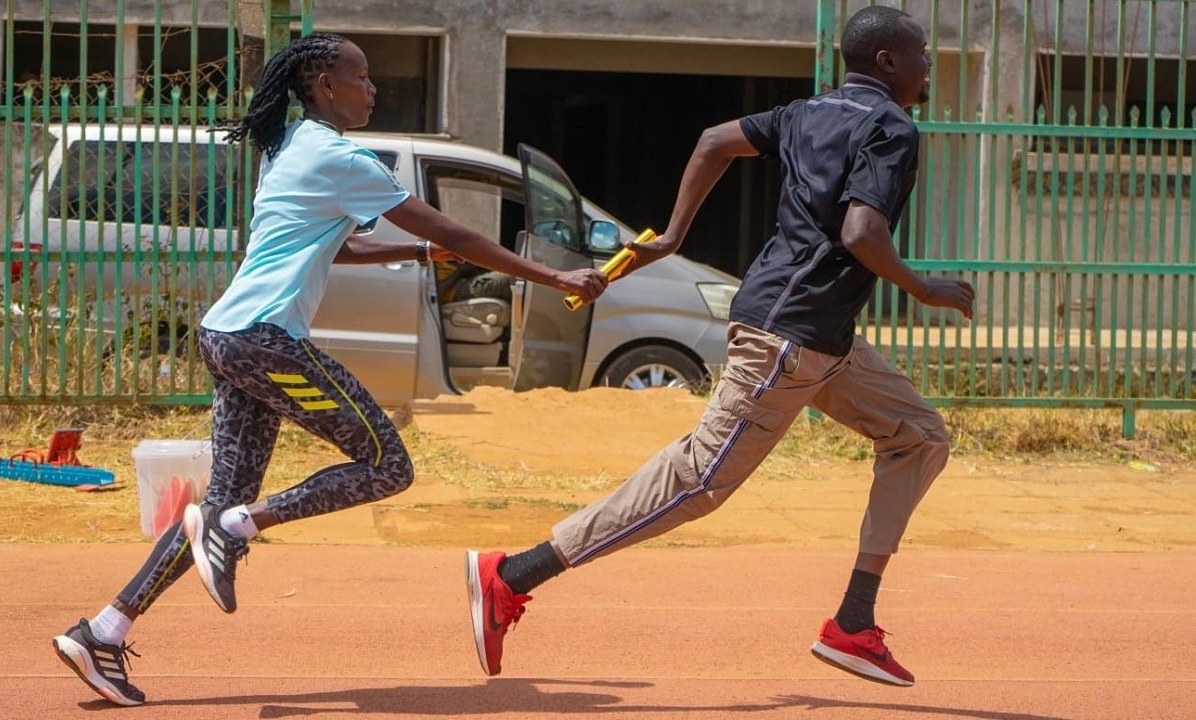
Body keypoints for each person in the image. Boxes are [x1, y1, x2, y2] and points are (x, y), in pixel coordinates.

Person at [50, 32, 607, 707]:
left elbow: (333, 247)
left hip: (228, 336)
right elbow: (454, 231)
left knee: (220, 510)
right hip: (263, 339)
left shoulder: (294, 148)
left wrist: (405, 257)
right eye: (362, 76)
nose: (372, 88)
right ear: (322, 84)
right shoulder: (343, 157)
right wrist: (554, 274)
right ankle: (236, 527)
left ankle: (103, 630)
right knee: (386, 465)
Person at [465, 6, 974, 688]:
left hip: (816, 337)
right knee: (699, 481)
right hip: (788, 338)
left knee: (918, 435)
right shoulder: (891, 126)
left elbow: (712, 141)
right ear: (887, 62)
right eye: (920, 55)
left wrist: (675, 234)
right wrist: (923, 287)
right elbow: (861, 231)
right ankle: (513, 574)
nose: (927, 67)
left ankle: (854, 622)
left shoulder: (803, 113)